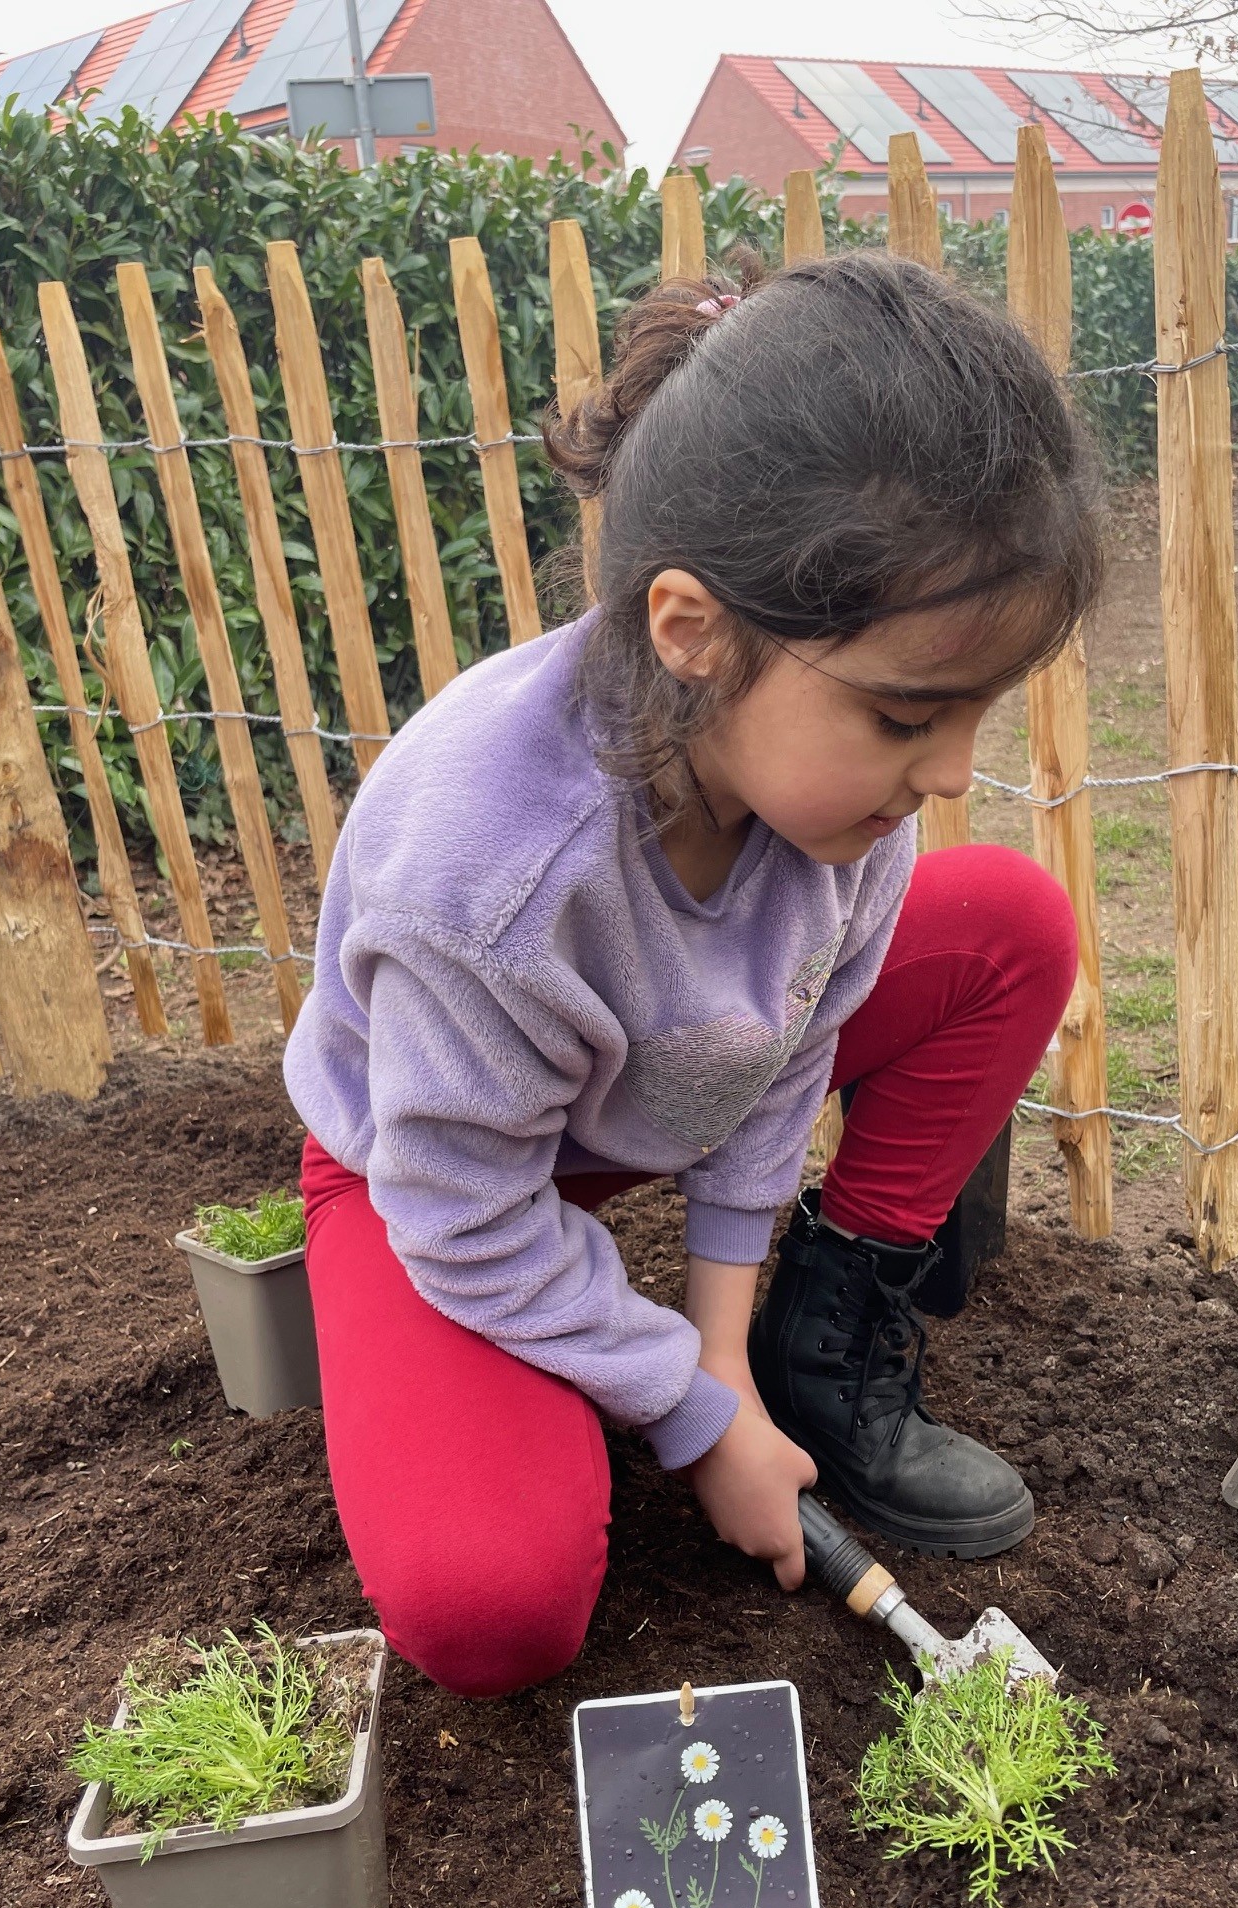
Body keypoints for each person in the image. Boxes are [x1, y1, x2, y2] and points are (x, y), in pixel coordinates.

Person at [284, 250, 1104, 1698]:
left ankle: (821, 1331)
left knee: (1009, 926)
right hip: (451, 1169)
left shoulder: (840, 807)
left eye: (976, 712)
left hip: (667, 1079)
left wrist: (722, 1354)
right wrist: (687, 1416)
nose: (956, 771)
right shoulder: (487, 875)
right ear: (694, 631)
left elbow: (787, 1052)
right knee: (492, 1604)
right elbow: (464, 1213)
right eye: (911, 712)